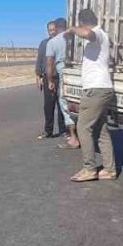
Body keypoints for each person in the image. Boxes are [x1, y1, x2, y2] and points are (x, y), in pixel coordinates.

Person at [66, 8, 117, 181]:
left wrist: (72, 29)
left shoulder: (97, 33)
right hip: (100, 88)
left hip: (96, 89)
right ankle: (109, 169)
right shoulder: (100, 34)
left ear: (82, 22)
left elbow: (88, 34)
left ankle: (89, 169)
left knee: (83, 127)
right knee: (101, 130)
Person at [45, 17, 79, 150]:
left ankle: (73, 138)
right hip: (80, 73)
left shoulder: (52, 42)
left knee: (66, 105)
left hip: (64, 75)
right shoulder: (75, 39)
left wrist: (50, 81)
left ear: (57, 28)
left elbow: (49, 63)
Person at [35, 20, 65, 138]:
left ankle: (64, 130)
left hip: (61, 78)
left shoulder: (61, 43)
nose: (52, 32)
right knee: (48, 105)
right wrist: (38, 77)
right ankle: (48, 130)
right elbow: (39, 61)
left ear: (57, 30)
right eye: (50, 30)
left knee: (62, 105)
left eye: (54, 30)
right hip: (48, 78)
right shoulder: (44, 44)